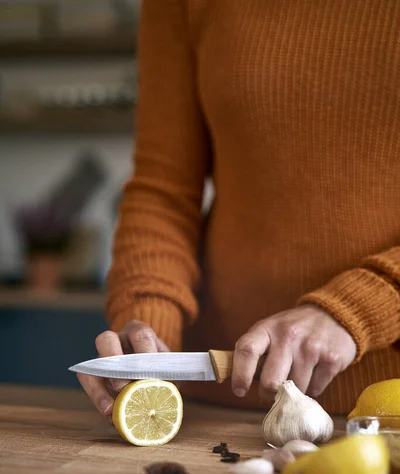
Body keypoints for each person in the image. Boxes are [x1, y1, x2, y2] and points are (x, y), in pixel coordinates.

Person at [78, 0, 400, 417]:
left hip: (387, 410)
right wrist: (147, 329)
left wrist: (360, 308)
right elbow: (163, 191)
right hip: (220, 403)